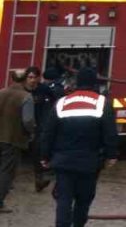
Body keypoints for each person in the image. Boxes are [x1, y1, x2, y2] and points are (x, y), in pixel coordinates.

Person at [40, 68, 118, 227]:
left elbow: (48, 132)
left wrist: (45, 156)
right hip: (89, 162)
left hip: (64, 161)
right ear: (95, 83)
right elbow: (110, 132)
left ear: (76, 82)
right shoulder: (102, 103)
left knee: (64, 199)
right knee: (84, 199)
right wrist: (111, 155)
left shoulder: (62, 103)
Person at [0, 69, 30, 213]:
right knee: (6, 171)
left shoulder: (1, 92)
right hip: (12, 138)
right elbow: (28, 120)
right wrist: (31, 132)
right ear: (25, 79)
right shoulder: (26, 97)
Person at [28, 67, 62, 193]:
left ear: (39, 78)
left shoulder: (44, 89)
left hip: (38, 125)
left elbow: (54, 103)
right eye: (29, 77)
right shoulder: (23, 90)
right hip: (24, 125)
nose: (32, 80)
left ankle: (39, 180)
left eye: (34, 77)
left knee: (37, 152)